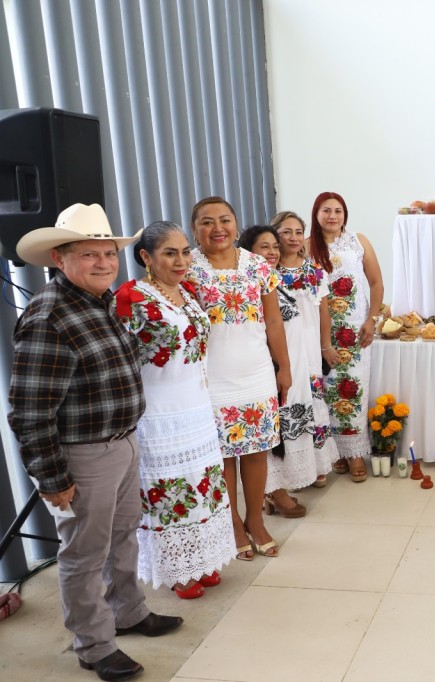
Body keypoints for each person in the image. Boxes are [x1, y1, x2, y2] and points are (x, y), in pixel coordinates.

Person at [9, 204, 182, 681]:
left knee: (123, 536)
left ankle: (128, 613)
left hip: (123, 442)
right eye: (90, 254)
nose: (105, 263)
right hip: (84, 455)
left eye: (109, 253)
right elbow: (29, 410)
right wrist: (52, 478)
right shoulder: (49, 316)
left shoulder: (101, 301)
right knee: (85, 553)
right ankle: (93, 644)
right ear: (60, 259)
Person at [114, 221, 235, 599]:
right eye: (170, 253)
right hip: (158, 412)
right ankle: (175, 569)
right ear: (146, 257)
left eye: (185, 251)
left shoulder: (188, 292)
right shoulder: (131, 297)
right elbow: (120, 361)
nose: (181, 260)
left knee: (201, 484)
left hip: (196, 406)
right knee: (169, 490)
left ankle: (201, 559)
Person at [188, 197, 291, 560]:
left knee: (256, 451)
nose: (217, 228)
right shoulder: (188, 269)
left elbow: (274, 321)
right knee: (224, 456)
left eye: (225, 220)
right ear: (194, 229)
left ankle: (256, 520)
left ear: (236, 223)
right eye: (207, 222)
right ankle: (232, 522)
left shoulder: (258, 266)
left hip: (256, 371)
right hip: (211, 377)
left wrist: (284, 366)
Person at [307, 192, 384, 481]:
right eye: (326, 210)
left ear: (345, 214)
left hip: (356, 332)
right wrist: (321, 341)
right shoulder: (306, 248)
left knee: (354, 389)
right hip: (319, 333)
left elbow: (376, 283)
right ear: (315, 214)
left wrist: (371, 320)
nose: (332, 216)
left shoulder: (358, 241)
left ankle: (353, 454)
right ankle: (333, 453)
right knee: (325, 392)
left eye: (338, 210)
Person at [272, 211, 341, 484]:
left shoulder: (315, 272)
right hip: (282, 346)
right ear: (275, 234)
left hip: (310, 347)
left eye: (298, 232)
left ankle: (317, 465)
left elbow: (325, 313)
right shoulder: (268, 272)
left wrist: (325, 347)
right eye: (286, 231)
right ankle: (290, 471)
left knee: (312, 398)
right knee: (287, 401)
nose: (292, 237)